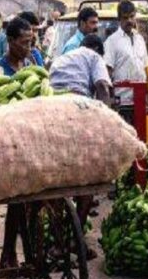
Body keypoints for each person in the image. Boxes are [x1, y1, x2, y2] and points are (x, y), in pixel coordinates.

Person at [48, 34, 113, 258]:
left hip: (52, 112)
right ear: (97, 50)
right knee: (88, 181)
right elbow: (103, 88)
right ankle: (76, 240)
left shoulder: (63, 58)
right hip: (77, 111)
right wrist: (107, 121)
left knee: (58, 184)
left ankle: (58, 243)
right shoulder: (95, 58)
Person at [0, 17, 34, 279]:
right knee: (18, 201)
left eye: (31, 41)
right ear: (10, 42)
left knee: (26, 203)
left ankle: (11, 256)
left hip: (31, 141)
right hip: (7, 143)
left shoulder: (33, 65)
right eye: (23, 42)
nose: (29, 47)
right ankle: (11, 256)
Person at [103, 0, 148, 119]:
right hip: (122, 104)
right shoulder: (112, 42)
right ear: (119, 19)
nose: (129, 21)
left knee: (140, 137)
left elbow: (145, 70)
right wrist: (110, 100)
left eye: (131, 16)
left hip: (140, 101)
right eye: (125, 18)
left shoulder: (140, 39)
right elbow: (107, 73)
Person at [49, 34, 113, 106]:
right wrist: (107, 112)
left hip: (52, 100)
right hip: (77, 101)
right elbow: (102, 85)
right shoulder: (95, 56)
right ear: (96, 49)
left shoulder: (62, 57)